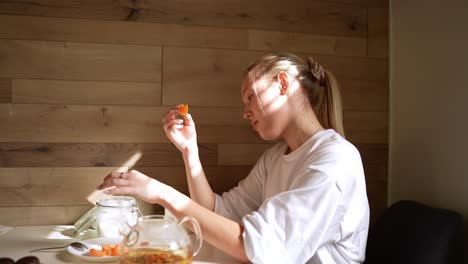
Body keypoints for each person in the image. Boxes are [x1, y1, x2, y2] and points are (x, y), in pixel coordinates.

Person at [97, 53, 370, 263]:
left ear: (283, 84)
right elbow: (217, 212)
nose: (246, 112)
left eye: (250, 97)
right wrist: (189, 151)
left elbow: (258, 247)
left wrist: (162, 193)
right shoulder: (274, 159)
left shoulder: (334, 160)